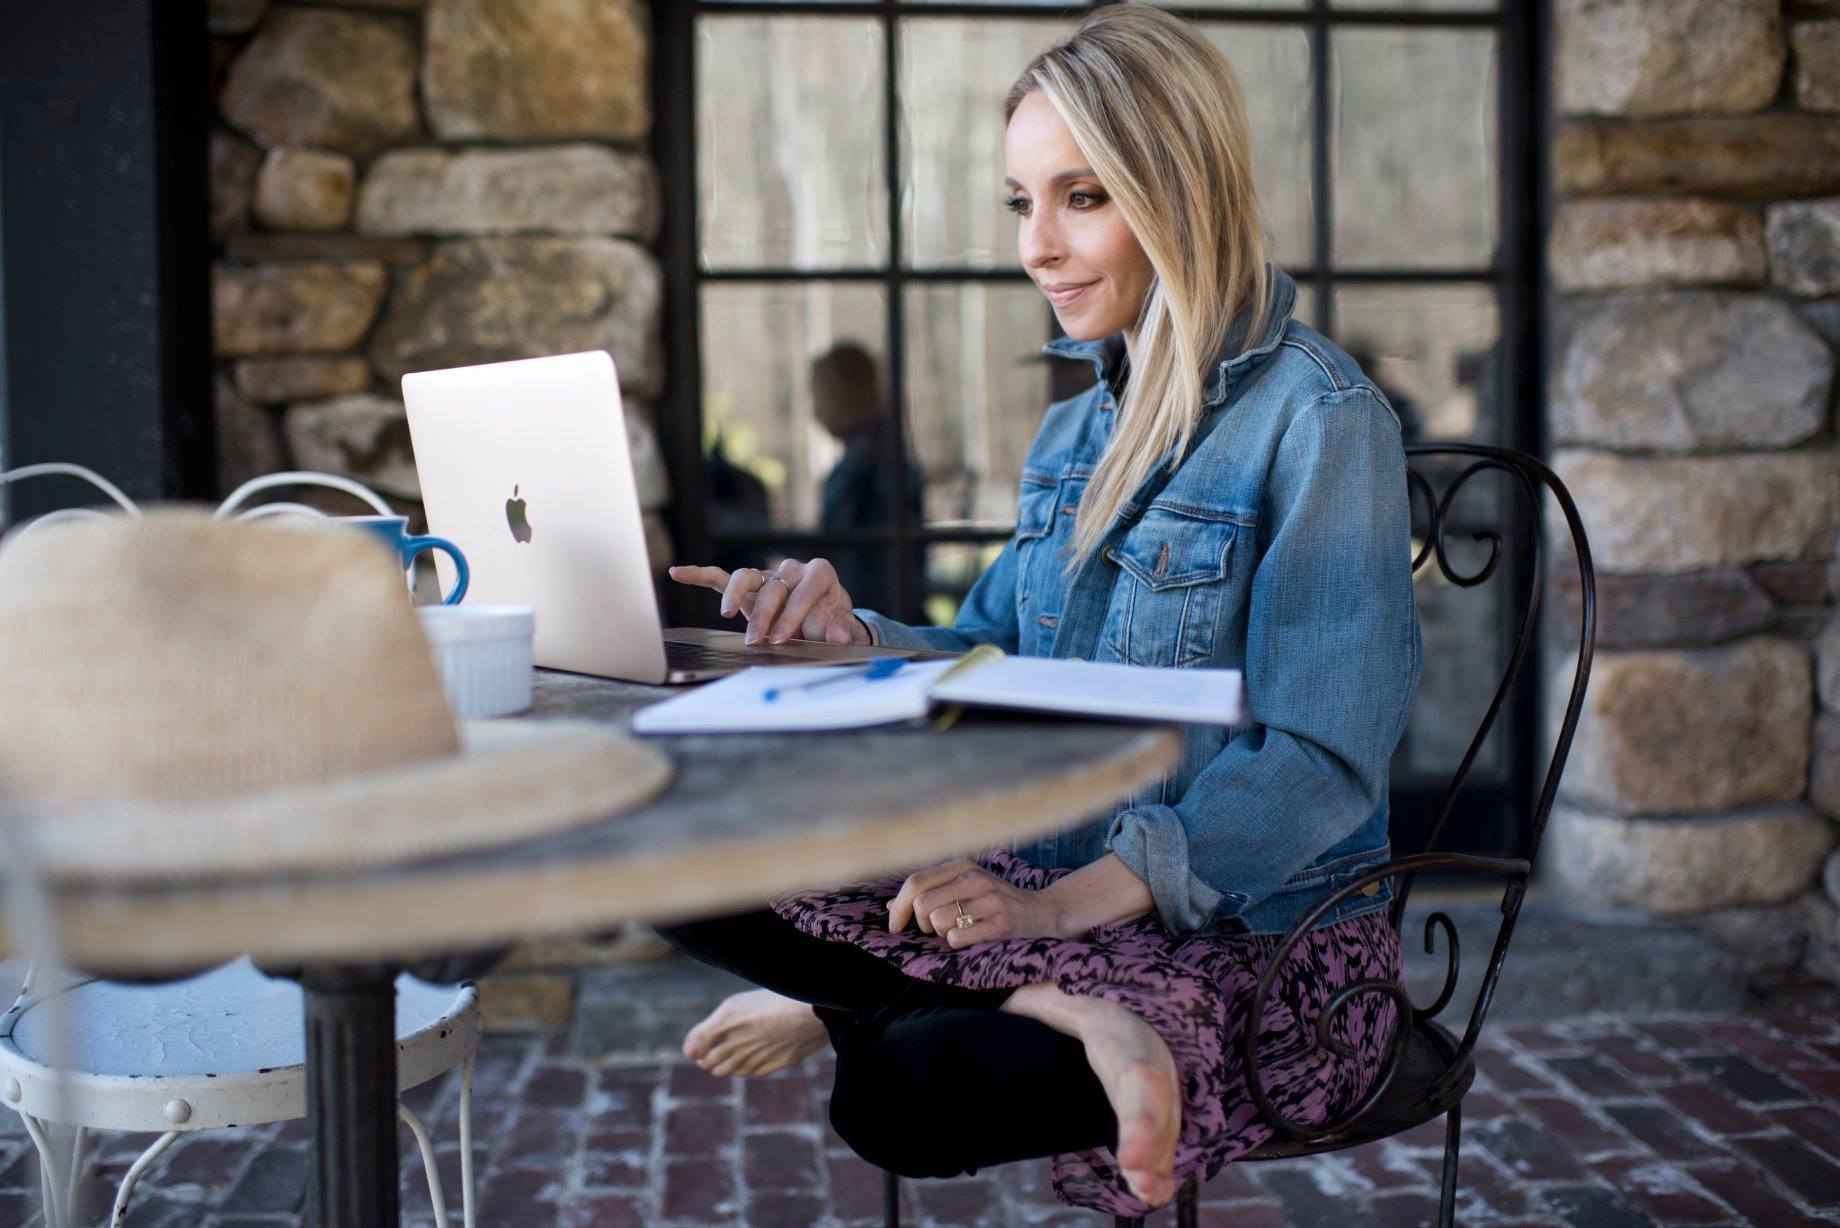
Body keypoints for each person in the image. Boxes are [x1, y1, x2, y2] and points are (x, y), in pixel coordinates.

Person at [660, 7, 1421, 1216]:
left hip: (1255, 936)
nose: (1036, 246)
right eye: (1021, 202)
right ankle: (1044, 1003)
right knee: (673, 859)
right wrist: (853, 641)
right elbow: (997, 657)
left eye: (1081, 197)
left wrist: (1058, 906)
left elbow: (1319, 760)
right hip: (1043, 901)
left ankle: (872, 992)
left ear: (1178, 192)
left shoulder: (1321, 420)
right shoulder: (1073, 431)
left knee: (900, 1097)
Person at [809, 342, 923, 612]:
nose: (814, 408)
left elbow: (843, 555)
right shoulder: (881, 452)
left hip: (863, 615)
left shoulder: (865, 465)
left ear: (841, 394)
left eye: (817, 393)